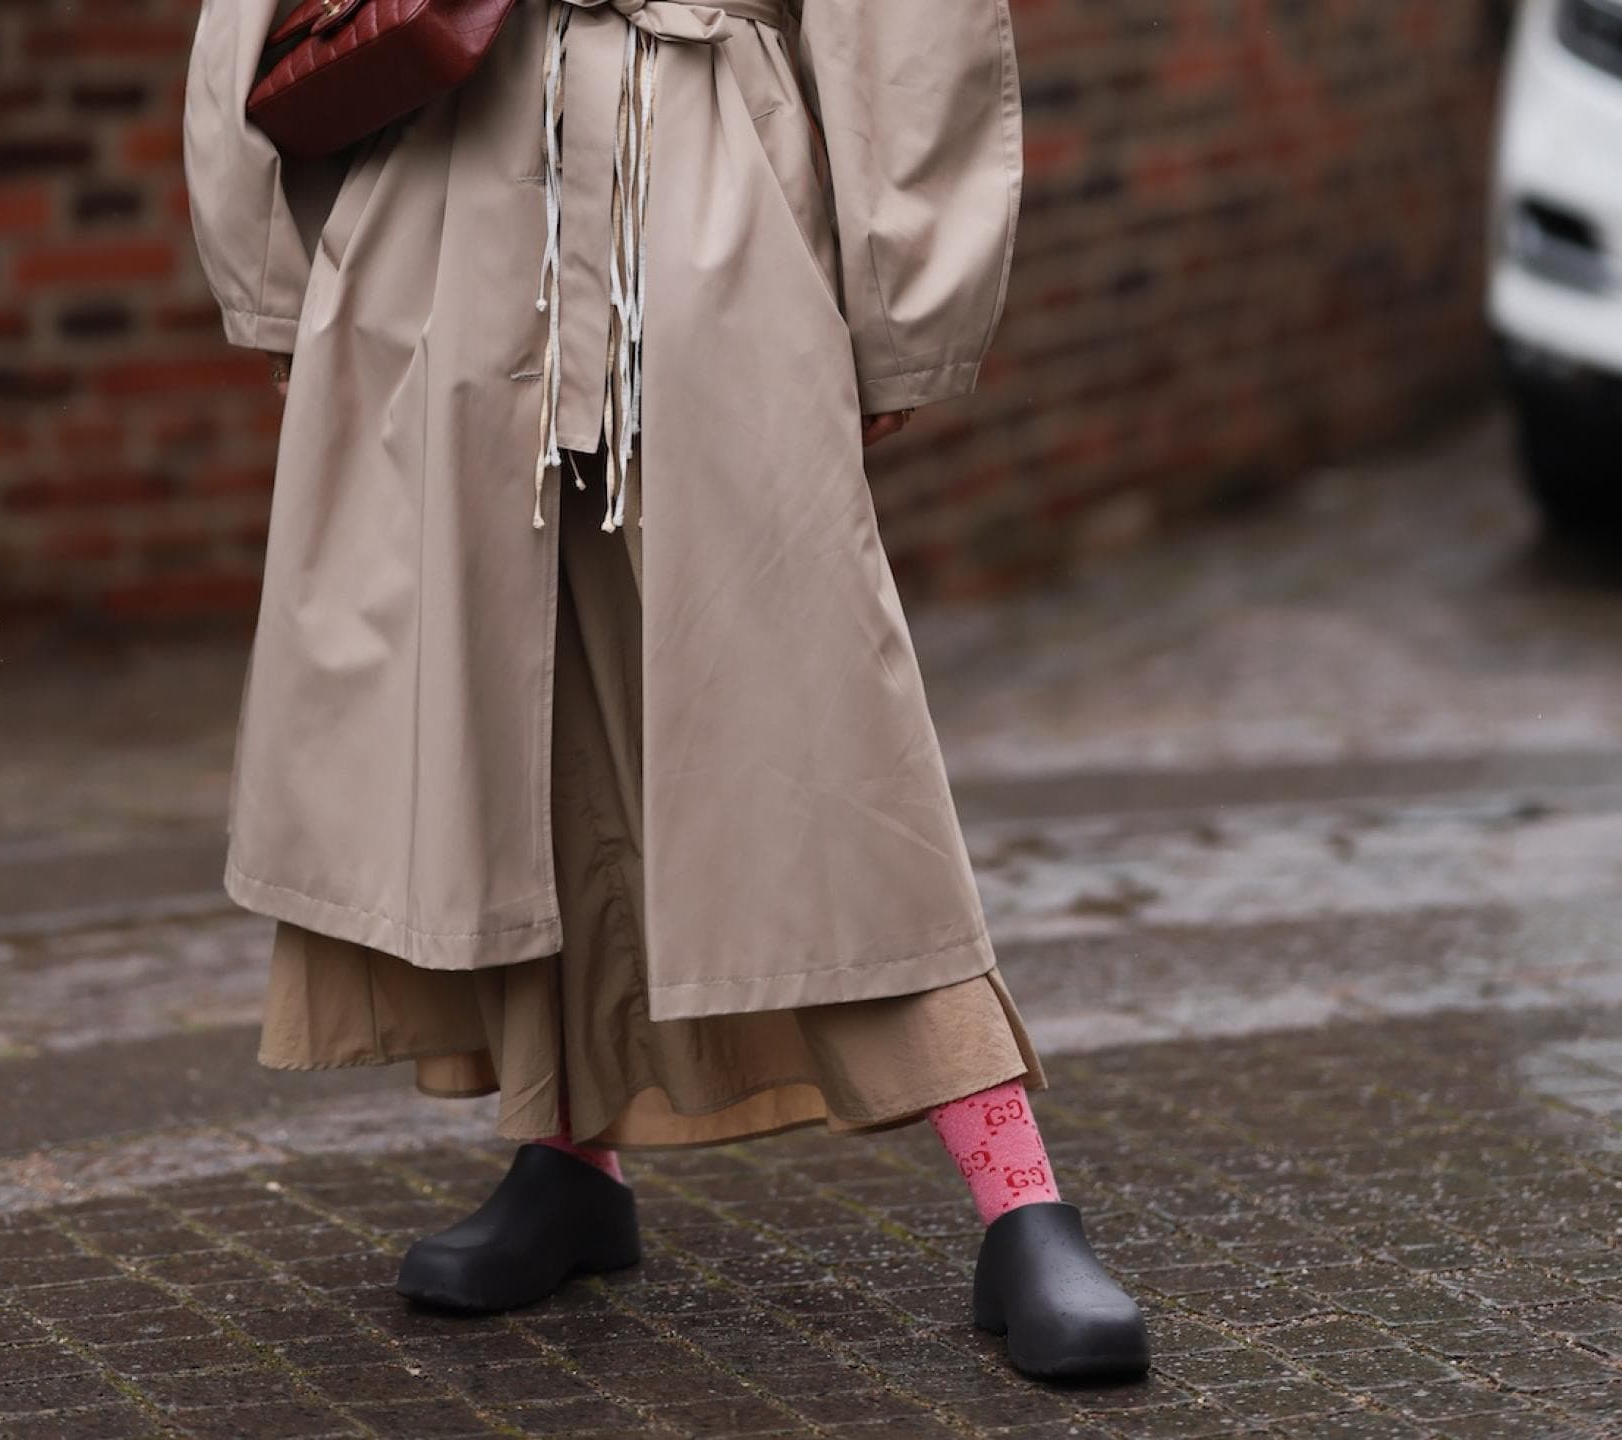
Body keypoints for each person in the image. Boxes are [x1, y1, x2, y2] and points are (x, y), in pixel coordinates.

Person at [184, 0, 1147, 1382]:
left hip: (709, 189)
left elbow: (904, 23)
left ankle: (1019, 1198)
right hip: (450, 199)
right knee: (505, 708)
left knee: (824, 728)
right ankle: (568, 1155)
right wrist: (282, 269)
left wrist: (902, 299)